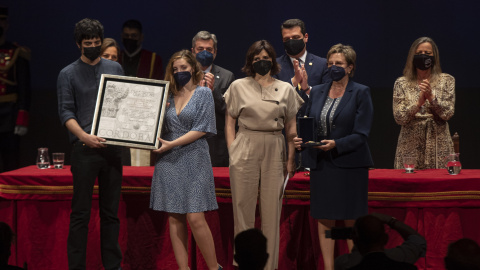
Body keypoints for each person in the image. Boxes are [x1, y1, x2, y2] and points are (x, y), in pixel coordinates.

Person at [224, 40, 304, 270]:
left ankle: (268, 266)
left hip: (274, 145)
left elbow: (291, 127)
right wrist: (232, 151)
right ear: (250, 61)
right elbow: (229, 121)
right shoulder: (238, 86)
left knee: (271, 211)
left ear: (273, 60)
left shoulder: (286, 88)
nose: (262, 62)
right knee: (242, 209)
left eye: (266, 58)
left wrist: (290, 159)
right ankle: (243, 264)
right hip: (245, 143)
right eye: (257, 58)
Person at [294, 44, 373, 270]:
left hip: (350, 165)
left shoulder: (360, 92)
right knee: (325, 219)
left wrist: (337, 144)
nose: (333, 67)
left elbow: (362, 133)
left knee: (351, 222)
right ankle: (328, 267)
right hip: (322, 165)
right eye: (330, 64)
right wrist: (302, 141)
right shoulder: (317, 91)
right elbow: (309, 122)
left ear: (350, 67)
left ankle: (354, 265)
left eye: (338, 64)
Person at [57, 18, 124, 270]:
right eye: (89, 43)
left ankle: (113, 266)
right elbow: (65, 113)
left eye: (97, 42)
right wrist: (84, 137)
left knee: (110, 213)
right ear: (78, 44)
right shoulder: (67, 74)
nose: (94, 46)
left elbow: (125, 104)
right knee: (80, 215)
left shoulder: (115, 68)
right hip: (84, 150)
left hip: (112, 149)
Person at [149, 50, 221, 270]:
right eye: (176, 69)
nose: (180, 72)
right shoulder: (167, 96)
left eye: (184, 68)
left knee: (195, 218)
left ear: (193, 68)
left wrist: (173, 143)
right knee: (174, 218)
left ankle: (213, 268)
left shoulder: (203, 93)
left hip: (194, 159)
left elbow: (203, 128)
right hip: (169, 161)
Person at [393, 37, 455, 170]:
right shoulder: (401, 83)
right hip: (409, 145)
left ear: (434, 57)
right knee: (408, 186)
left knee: (440, 186)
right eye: (419, 53)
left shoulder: (447, 81)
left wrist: (432, 98)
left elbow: (448, 113)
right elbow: (399, 117)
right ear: (412, 56)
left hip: (439, 143)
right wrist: (418, 103)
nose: (423, 56)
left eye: (427, 54)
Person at [119, 19, 163, 166]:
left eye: (134, 36)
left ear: (141, 37)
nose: (130, 39)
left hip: (144, 119)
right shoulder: (116, 58)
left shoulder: (152, 59)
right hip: (119, 118)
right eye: (126, 35)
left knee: (142, 163)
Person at [191, 30, 234, 167]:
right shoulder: (184, 74)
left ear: (215, 52)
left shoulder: (227, 76)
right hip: (189, 141)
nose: (205, 52)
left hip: (217, 144)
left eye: (209, 49)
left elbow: (229, 110)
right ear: (193, 51)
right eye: (200, 49)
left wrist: (212, 92)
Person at [274, 18, 330, 118]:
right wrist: (293, 81)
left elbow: (327, 97)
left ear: (306, 37)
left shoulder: (322, 64)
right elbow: (272, 97)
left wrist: (308, 89)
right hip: (284, 126)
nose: (291, 42)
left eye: (296, 37)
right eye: (287, 39)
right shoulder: (274, 65)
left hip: (313, 126)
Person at [334, 213, 426, 270]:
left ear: (355, 240)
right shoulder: (400, 257)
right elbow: (419, 241)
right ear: (385, 239)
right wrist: (391, 221)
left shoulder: (345, 263)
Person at [0, 6, 31, 173]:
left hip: (9, 115)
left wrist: (22, 117)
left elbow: (25, 87)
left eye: (2, 20)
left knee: (10, 160)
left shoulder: (17, 52)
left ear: (7, 24)